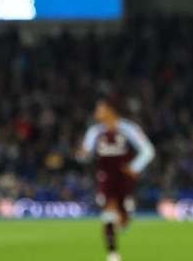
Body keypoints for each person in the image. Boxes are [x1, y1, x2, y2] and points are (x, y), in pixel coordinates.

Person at [79, 97, 155, 261]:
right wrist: (82, 155)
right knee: (108, 210)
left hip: (124, 178)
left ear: (110, 110)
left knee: (123, 220)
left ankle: (124, 217)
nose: (97, 113)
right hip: (105, 177)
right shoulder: (94, 132)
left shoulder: (128, 129)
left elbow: (148, 151)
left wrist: (134, 167)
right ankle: (112, 254)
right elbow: (84, 155)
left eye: (100, 109)